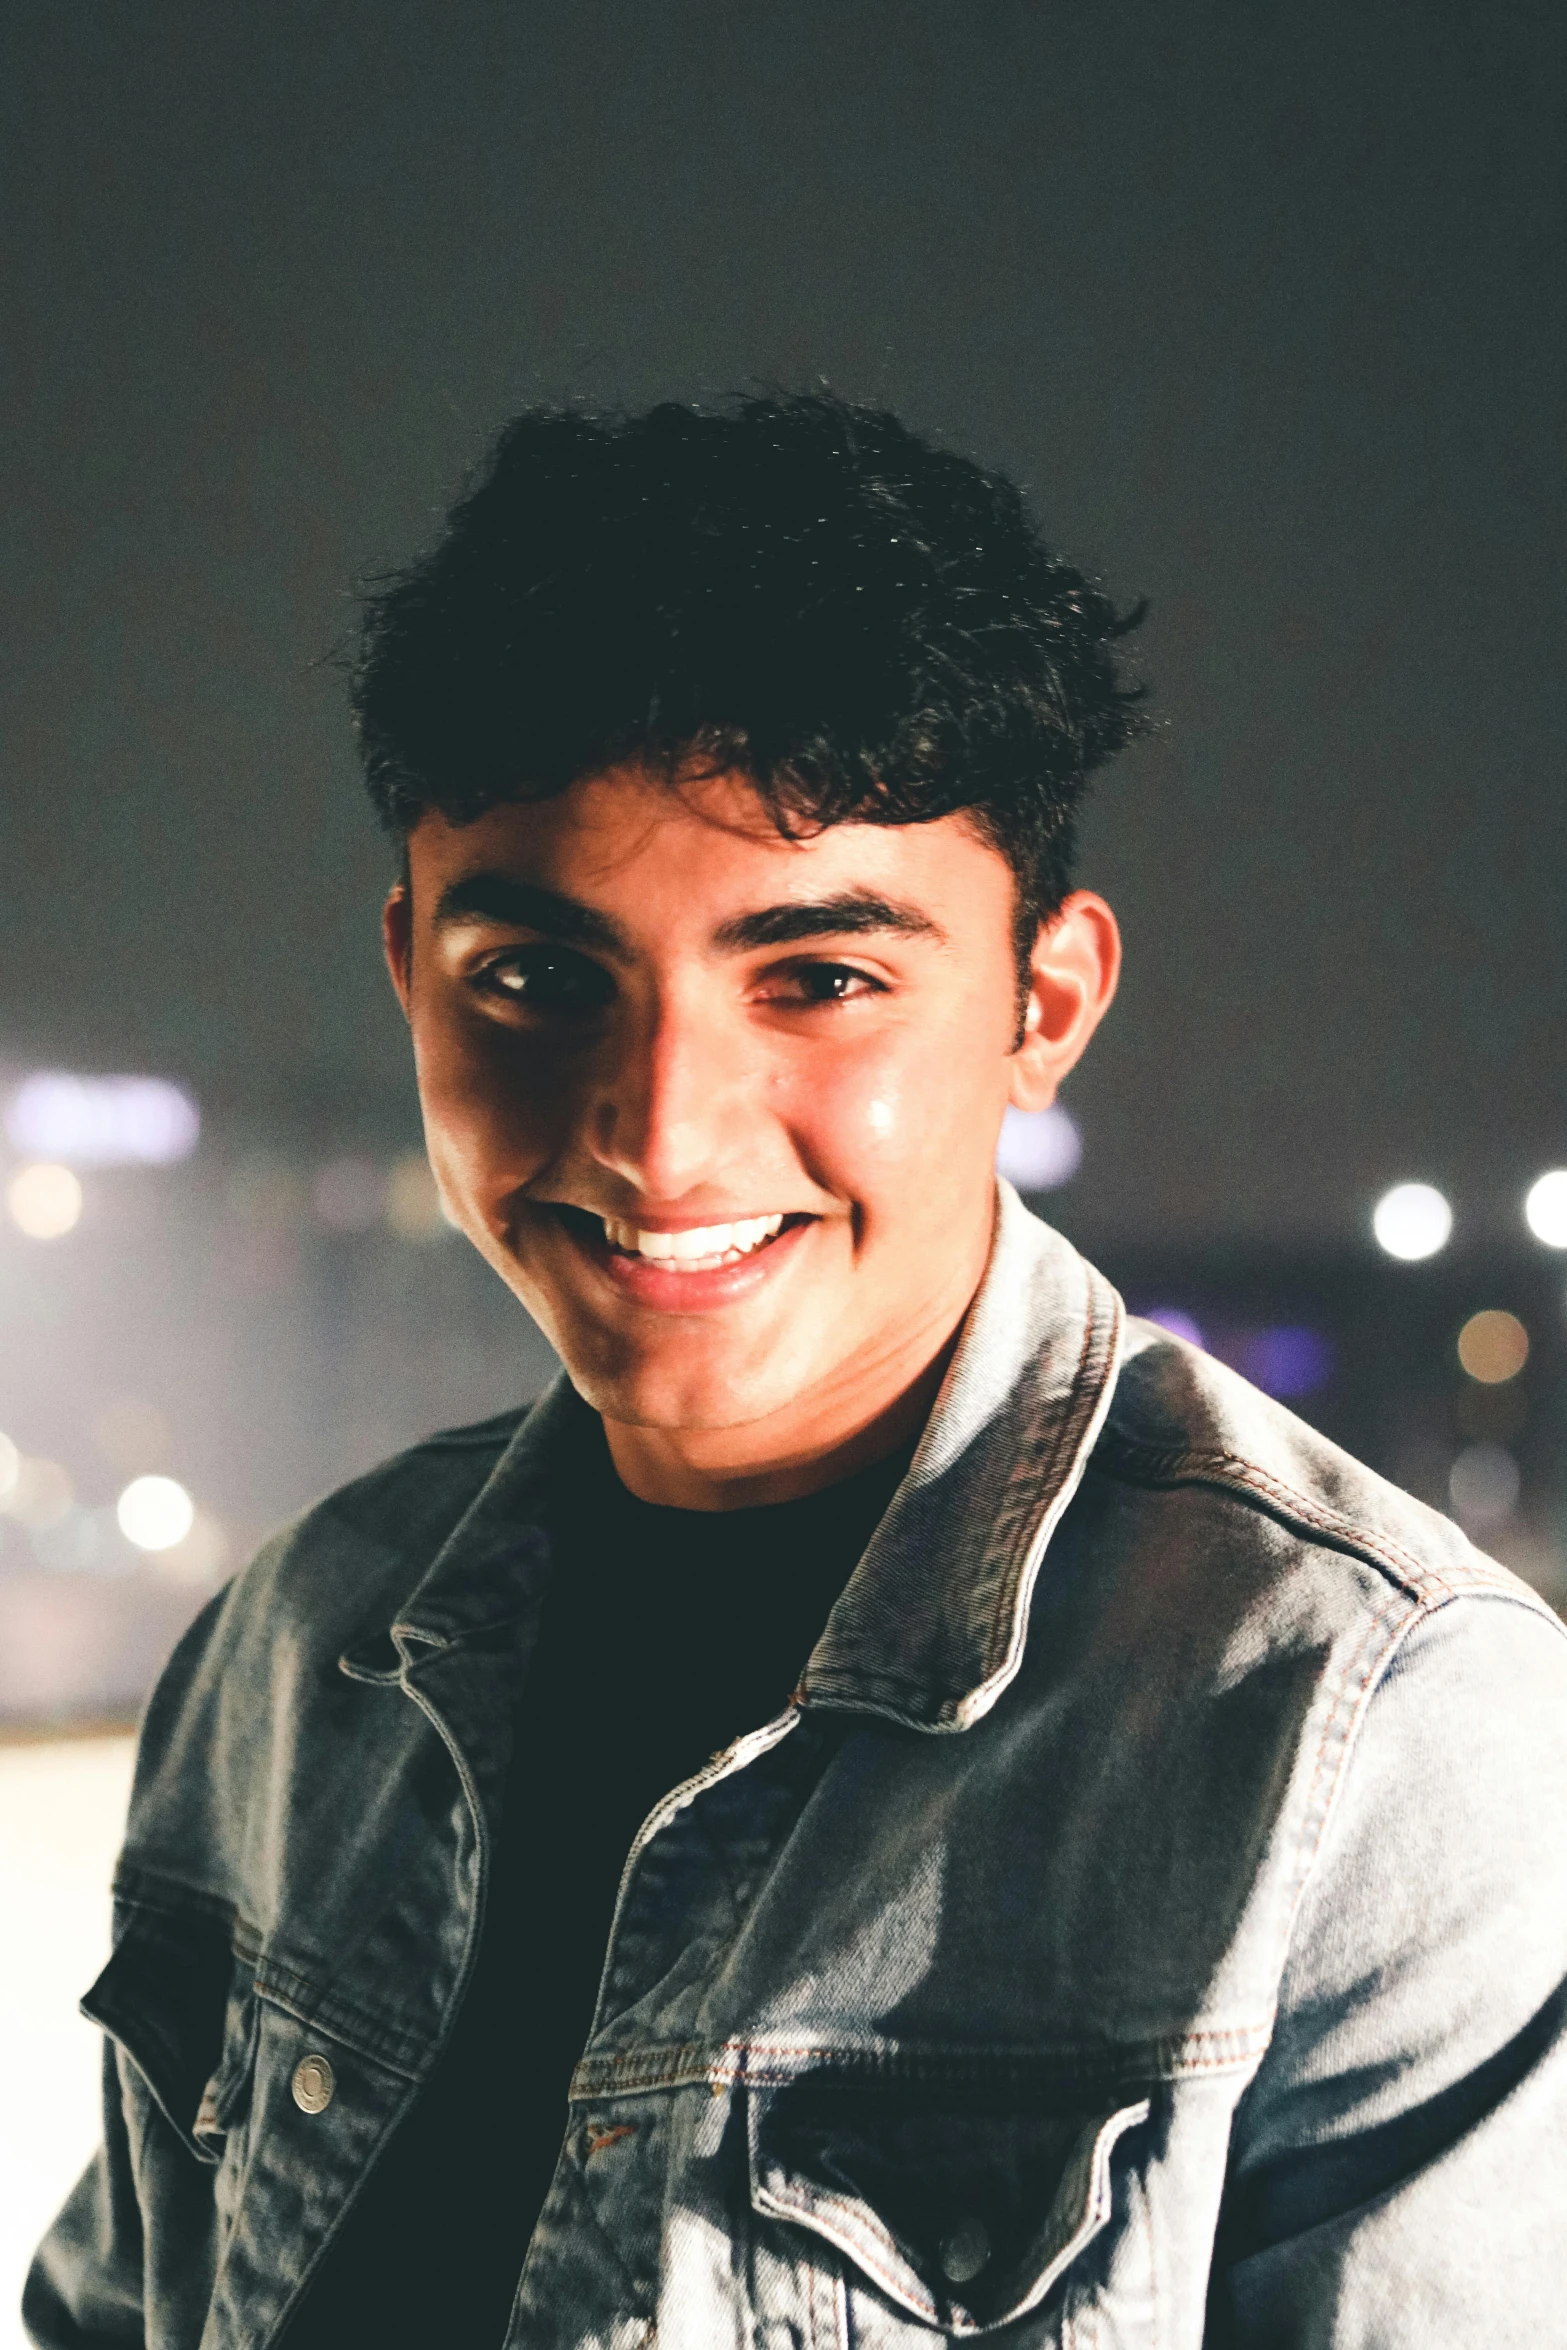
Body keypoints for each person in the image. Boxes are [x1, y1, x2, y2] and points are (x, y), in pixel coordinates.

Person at [25, 392, 1567, 2350]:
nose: (661, 1132)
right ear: (409, 966)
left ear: (1046, 997)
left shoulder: (1364, 1733)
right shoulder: (298, 1651)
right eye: (537, 978)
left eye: (819, 977)